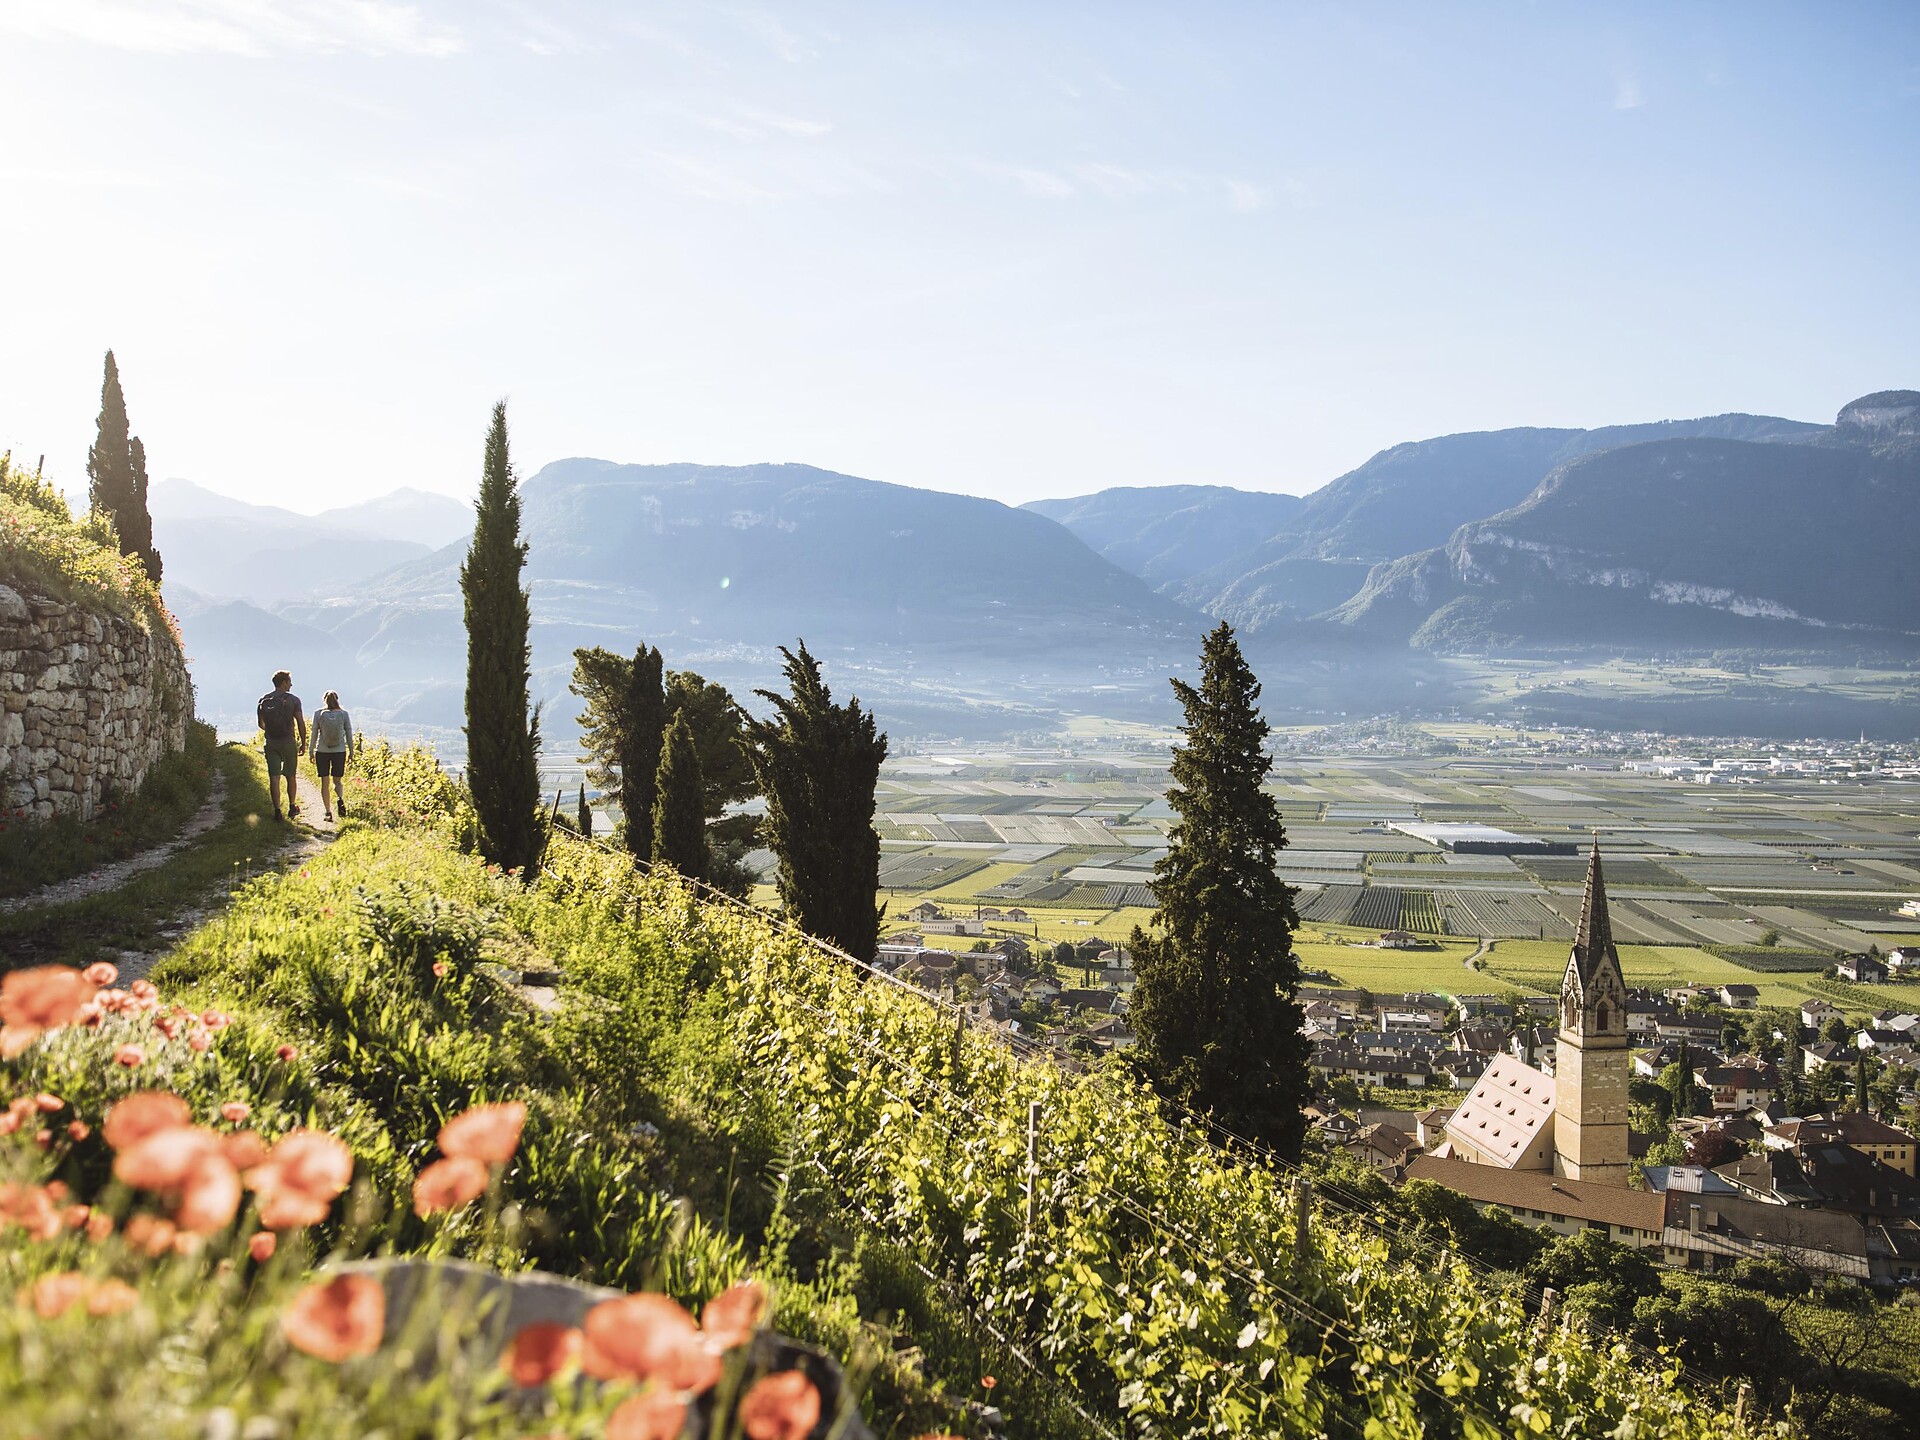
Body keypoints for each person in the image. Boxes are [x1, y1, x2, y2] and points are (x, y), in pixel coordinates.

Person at [256, 670, 307, 822]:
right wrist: (303, 742)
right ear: (284, 682)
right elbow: (300, 723)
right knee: (291, 776)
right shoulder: (294, 700)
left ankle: (277, 811)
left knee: (274, 777)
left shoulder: (264, 699)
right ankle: (292, 807)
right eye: (289, 681)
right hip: (288, 742)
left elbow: (261, 724)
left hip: (271, 742)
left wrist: (272, 731)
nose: (291, 684)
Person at [310, 690, 354, 822]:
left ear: (324, 700)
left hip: (322, 751)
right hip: (339, 751)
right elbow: (349, 734)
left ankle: (328, 812)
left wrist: (311, 750)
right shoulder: (344, 714)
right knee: (337, 780)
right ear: (337, 699)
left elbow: (314, 734)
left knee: (324, 782)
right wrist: (351, 752)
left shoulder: (318, 714)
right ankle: (340, 799)